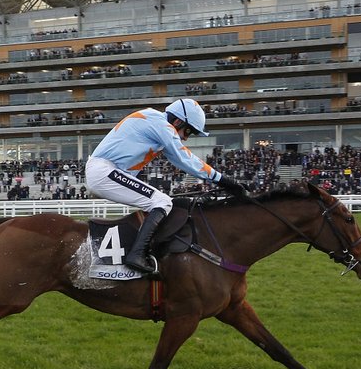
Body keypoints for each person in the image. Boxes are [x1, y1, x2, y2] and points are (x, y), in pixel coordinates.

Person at [85, 98, 247, 275]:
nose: (185, 137)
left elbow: (179, 160)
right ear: (177, 121)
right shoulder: (159, 123)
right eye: (188, 131)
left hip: (107, 171)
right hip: (104, 171)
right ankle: (136, 255)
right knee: (162, 202)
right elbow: (185, 158)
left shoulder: (157, 125)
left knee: (163, 202)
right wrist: (223, 181)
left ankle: (147, 249)